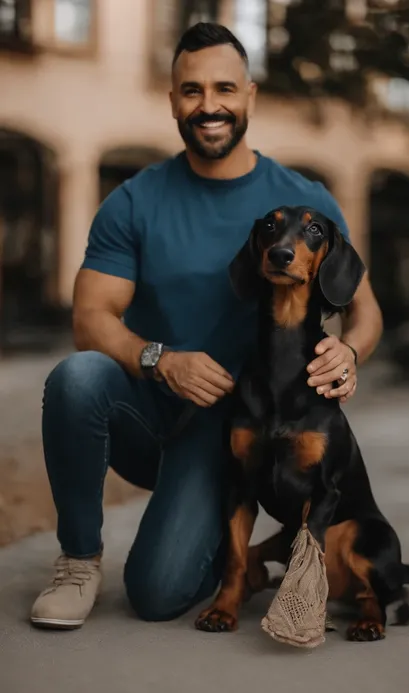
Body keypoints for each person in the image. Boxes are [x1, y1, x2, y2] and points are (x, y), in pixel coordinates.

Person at [30, 22, 383, 630]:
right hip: (147, 406)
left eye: (224, 88)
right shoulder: (135, 201)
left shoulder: (303, 200)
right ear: (172, 101)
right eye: (191, 91)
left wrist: (350, 352)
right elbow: (90, 319)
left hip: (229, 428)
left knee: (159, 594)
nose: (209, 105)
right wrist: (162, 359)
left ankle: (230, 552)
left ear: (249, 94)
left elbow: (366, 308)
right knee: (77, 377)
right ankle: (79, 561)